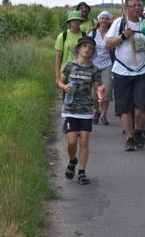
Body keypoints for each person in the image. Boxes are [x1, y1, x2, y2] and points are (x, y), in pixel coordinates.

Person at [105, 0, 145, 151]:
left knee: (143, 105)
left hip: (143, 70)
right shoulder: (119, 23)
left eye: (138, 5)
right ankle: (129, 137)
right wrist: (123, 36)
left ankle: (138, 130)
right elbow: (108, 44)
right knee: (124, 107)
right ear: (126, 8)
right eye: (132, 5)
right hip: (122, 70)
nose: (136, 8)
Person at [58, 35, 102, 185]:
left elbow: (97, 90)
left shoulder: (94, 69)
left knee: (84, 140)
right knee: (71, 142)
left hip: (86, 109)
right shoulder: (70, 65)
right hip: (70, 108)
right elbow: (60, 82)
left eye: (90, 48)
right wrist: (65, 87)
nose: (87, 50)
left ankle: (82, 172)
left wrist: (100, 93)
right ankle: (72, 161)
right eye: (85, 47)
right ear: (78, 49)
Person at [88, 10, 115, 125]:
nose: (104, 20)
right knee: (95, 92)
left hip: (108, 64)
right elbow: (87, 48)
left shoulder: (112, 33)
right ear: (99, 20)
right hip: (94, 64)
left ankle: (104, 115)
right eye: (102, 18)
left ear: (109, 21)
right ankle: (96, 111)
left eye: (106, 19)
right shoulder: (93, 34)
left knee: (106, 90)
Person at [54, 10, 86, 87]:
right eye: (73, 20)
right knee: (68, 96)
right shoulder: (62, 36)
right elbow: (58, 57)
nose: (76, 22)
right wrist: (57, 76)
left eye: (78, 20)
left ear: (81, 22)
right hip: (65, 72)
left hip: (80, 72)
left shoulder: (84, 36)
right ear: (69, 22)